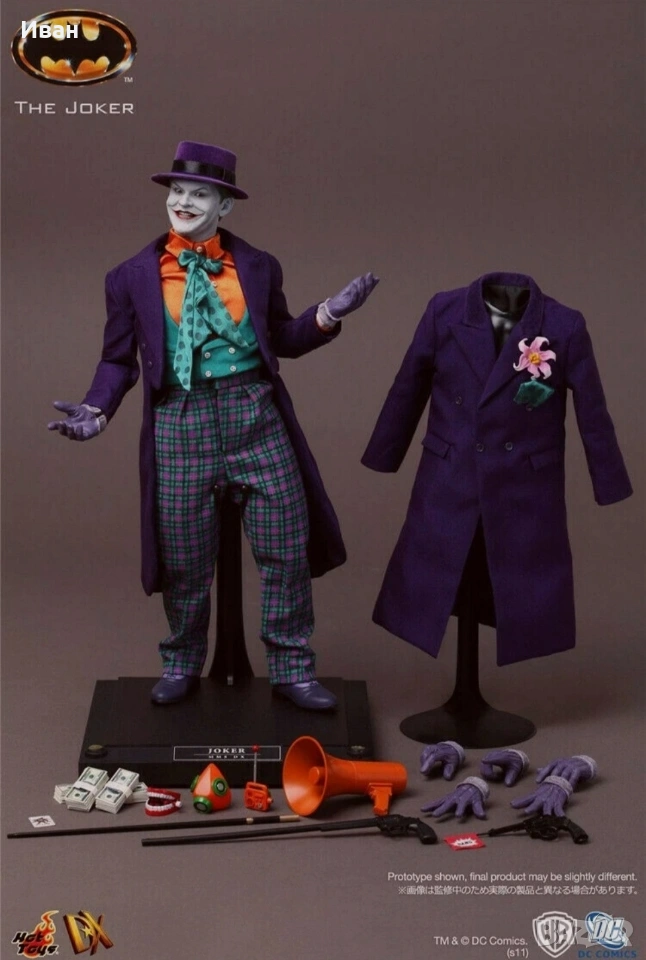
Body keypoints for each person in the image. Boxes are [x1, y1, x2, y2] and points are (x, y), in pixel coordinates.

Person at [48, 140, 378, 708]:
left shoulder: (258, 266)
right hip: (180, 419)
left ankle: (292, 667)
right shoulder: (129, 277)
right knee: (183, 556)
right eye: (177, 191)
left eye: (199, 194)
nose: (183, 202)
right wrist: (97, 410)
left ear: (224, 206)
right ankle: (181, 661)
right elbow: (117, 359)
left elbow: (282, 338)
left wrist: (328, 315)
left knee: (285, 545)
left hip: (254, 413)